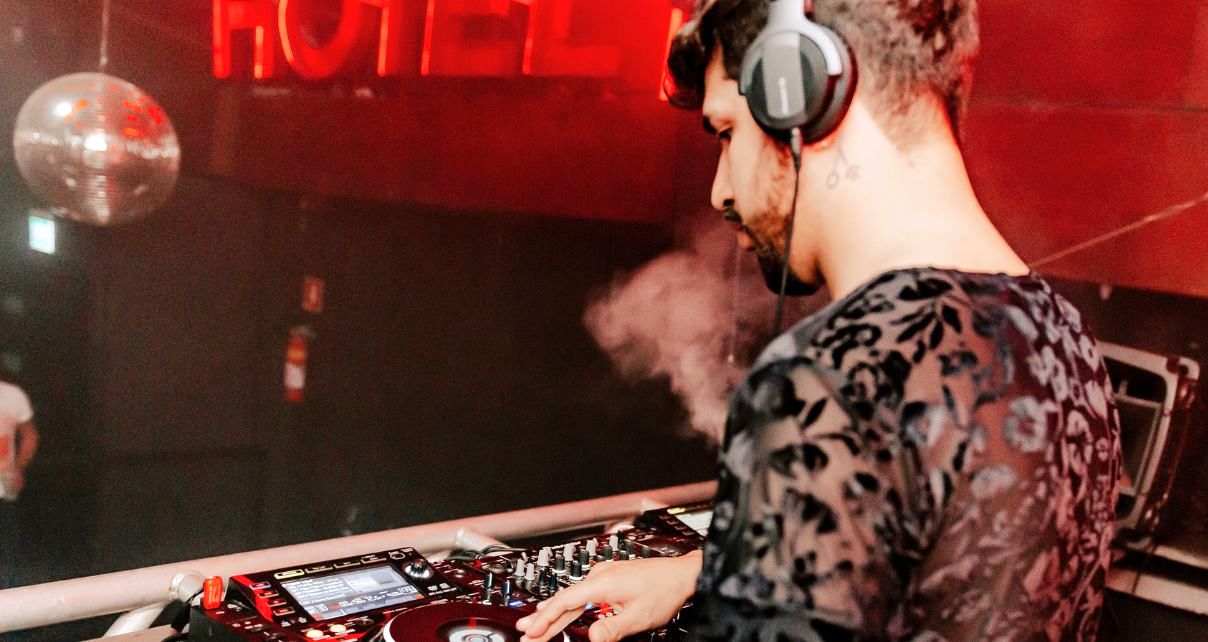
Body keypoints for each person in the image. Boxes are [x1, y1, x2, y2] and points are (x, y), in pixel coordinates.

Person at [518, 0, 1121, 640]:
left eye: (727, 133)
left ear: (802, 95)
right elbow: (953, 566)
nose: (720, 191)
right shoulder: (1062, 338)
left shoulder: (831, 381)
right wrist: (708, 571)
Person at [0, 378, 37, 588]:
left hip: (3, 486)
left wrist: (19, 467)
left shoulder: (12, 396)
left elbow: (29, 435)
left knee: (7, 549)